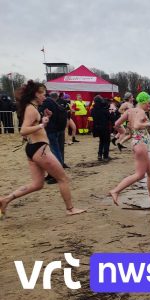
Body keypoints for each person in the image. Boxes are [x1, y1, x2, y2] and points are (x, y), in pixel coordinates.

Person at [0, 80, 86, 218]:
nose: (45, 97)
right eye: (43, 94)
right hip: (40, 149)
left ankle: (5, 199)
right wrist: (41, 125)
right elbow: (23, 130)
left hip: (33, 148)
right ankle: (70, 209)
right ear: (36, 94)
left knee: (37, 184)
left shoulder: (33, 108)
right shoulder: (31, 109)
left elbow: (33, 125)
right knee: (63, 178)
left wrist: (45, 119)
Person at [109, 92, 150, 208]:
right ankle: (116, 191)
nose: (149, 106)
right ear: (143, 102)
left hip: (136, 143)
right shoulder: (141, 111)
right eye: (148, 103)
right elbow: (137, 125)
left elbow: (116, 124)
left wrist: (124, 132)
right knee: (139, 175)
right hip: (141, 144)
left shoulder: (129, 111)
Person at [39, 92, 69, 175]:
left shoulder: (46, 103)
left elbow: (40, 114)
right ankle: (56, 170)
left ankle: (58, 173)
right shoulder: (56, 103)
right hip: (59, 129)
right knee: (58, 150)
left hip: (51, 130)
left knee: (54, 151)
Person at [91, 96, 112, 161]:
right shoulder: (104, 109)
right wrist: (111, 113)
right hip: (104, 127)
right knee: (106, 141)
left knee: (101, 141)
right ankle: (105, 156)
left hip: (97, 127)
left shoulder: (93, 109)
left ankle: (99, 155)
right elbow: (109, 118)